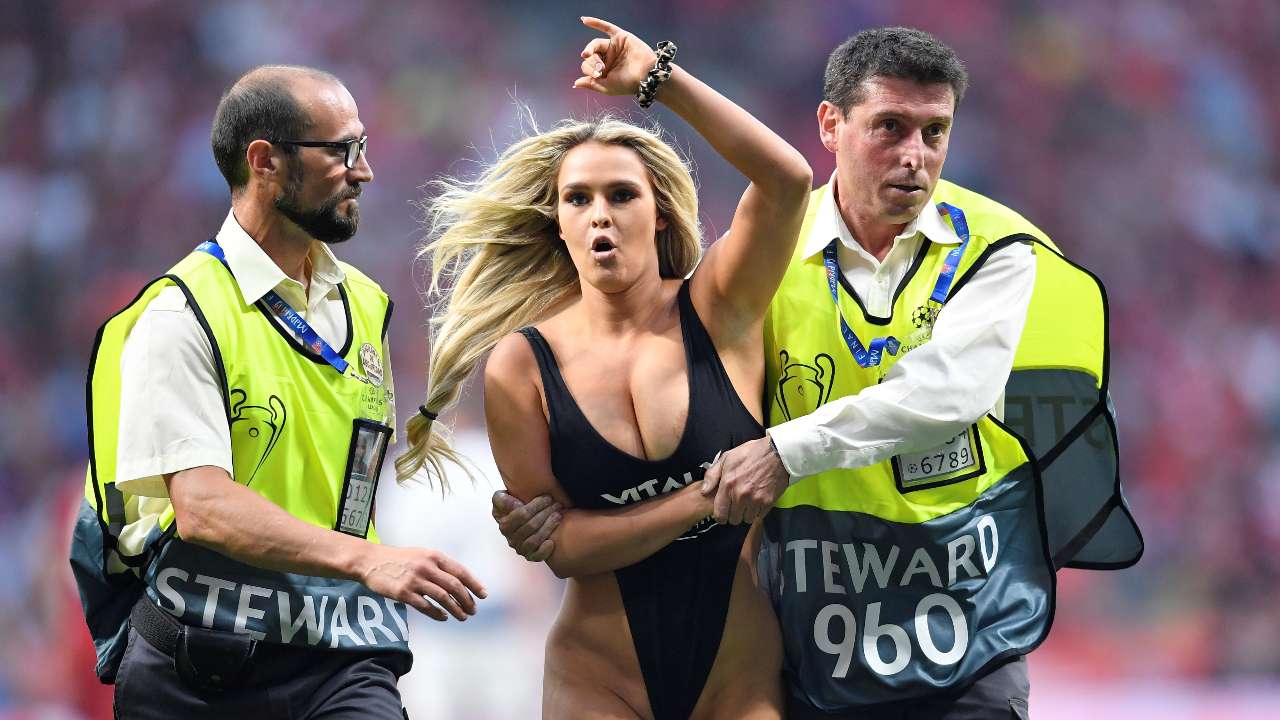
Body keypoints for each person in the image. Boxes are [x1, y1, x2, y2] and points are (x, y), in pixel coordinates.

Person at [498, 27, 1143, 718]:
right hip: (819, 639)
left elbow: (949, 393)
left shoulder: (996, 246)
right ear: (831, 125)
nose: (915, 156)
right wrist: (555, 523)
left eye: (935, 132)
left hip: (965, 625)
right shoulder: (765, 259)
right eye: (890, 128)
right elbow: (687, 415)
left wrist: (783, 452)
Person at [398, 16, 811, 720]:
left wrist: (659, 82)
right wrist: (706, 497)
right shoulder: (522, 367)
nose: (600, 215)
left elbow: (789, 179)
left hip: (737, 683)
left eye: (622, 194)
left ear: (659, 213)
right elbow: (563, 550)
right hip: (598, 682)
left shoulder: (721, 310)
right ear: (557, 223)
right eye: (577, 199)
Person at [69, 65, 486, 719]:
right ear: (264, 161)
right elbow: (203, 506)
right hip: (199, 669)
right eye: (341, 150)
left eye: (362, 146)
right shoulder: (181, 313)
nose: (364, 170)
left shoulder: (366, 306)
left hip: (339, 654)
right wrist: (367, 560)